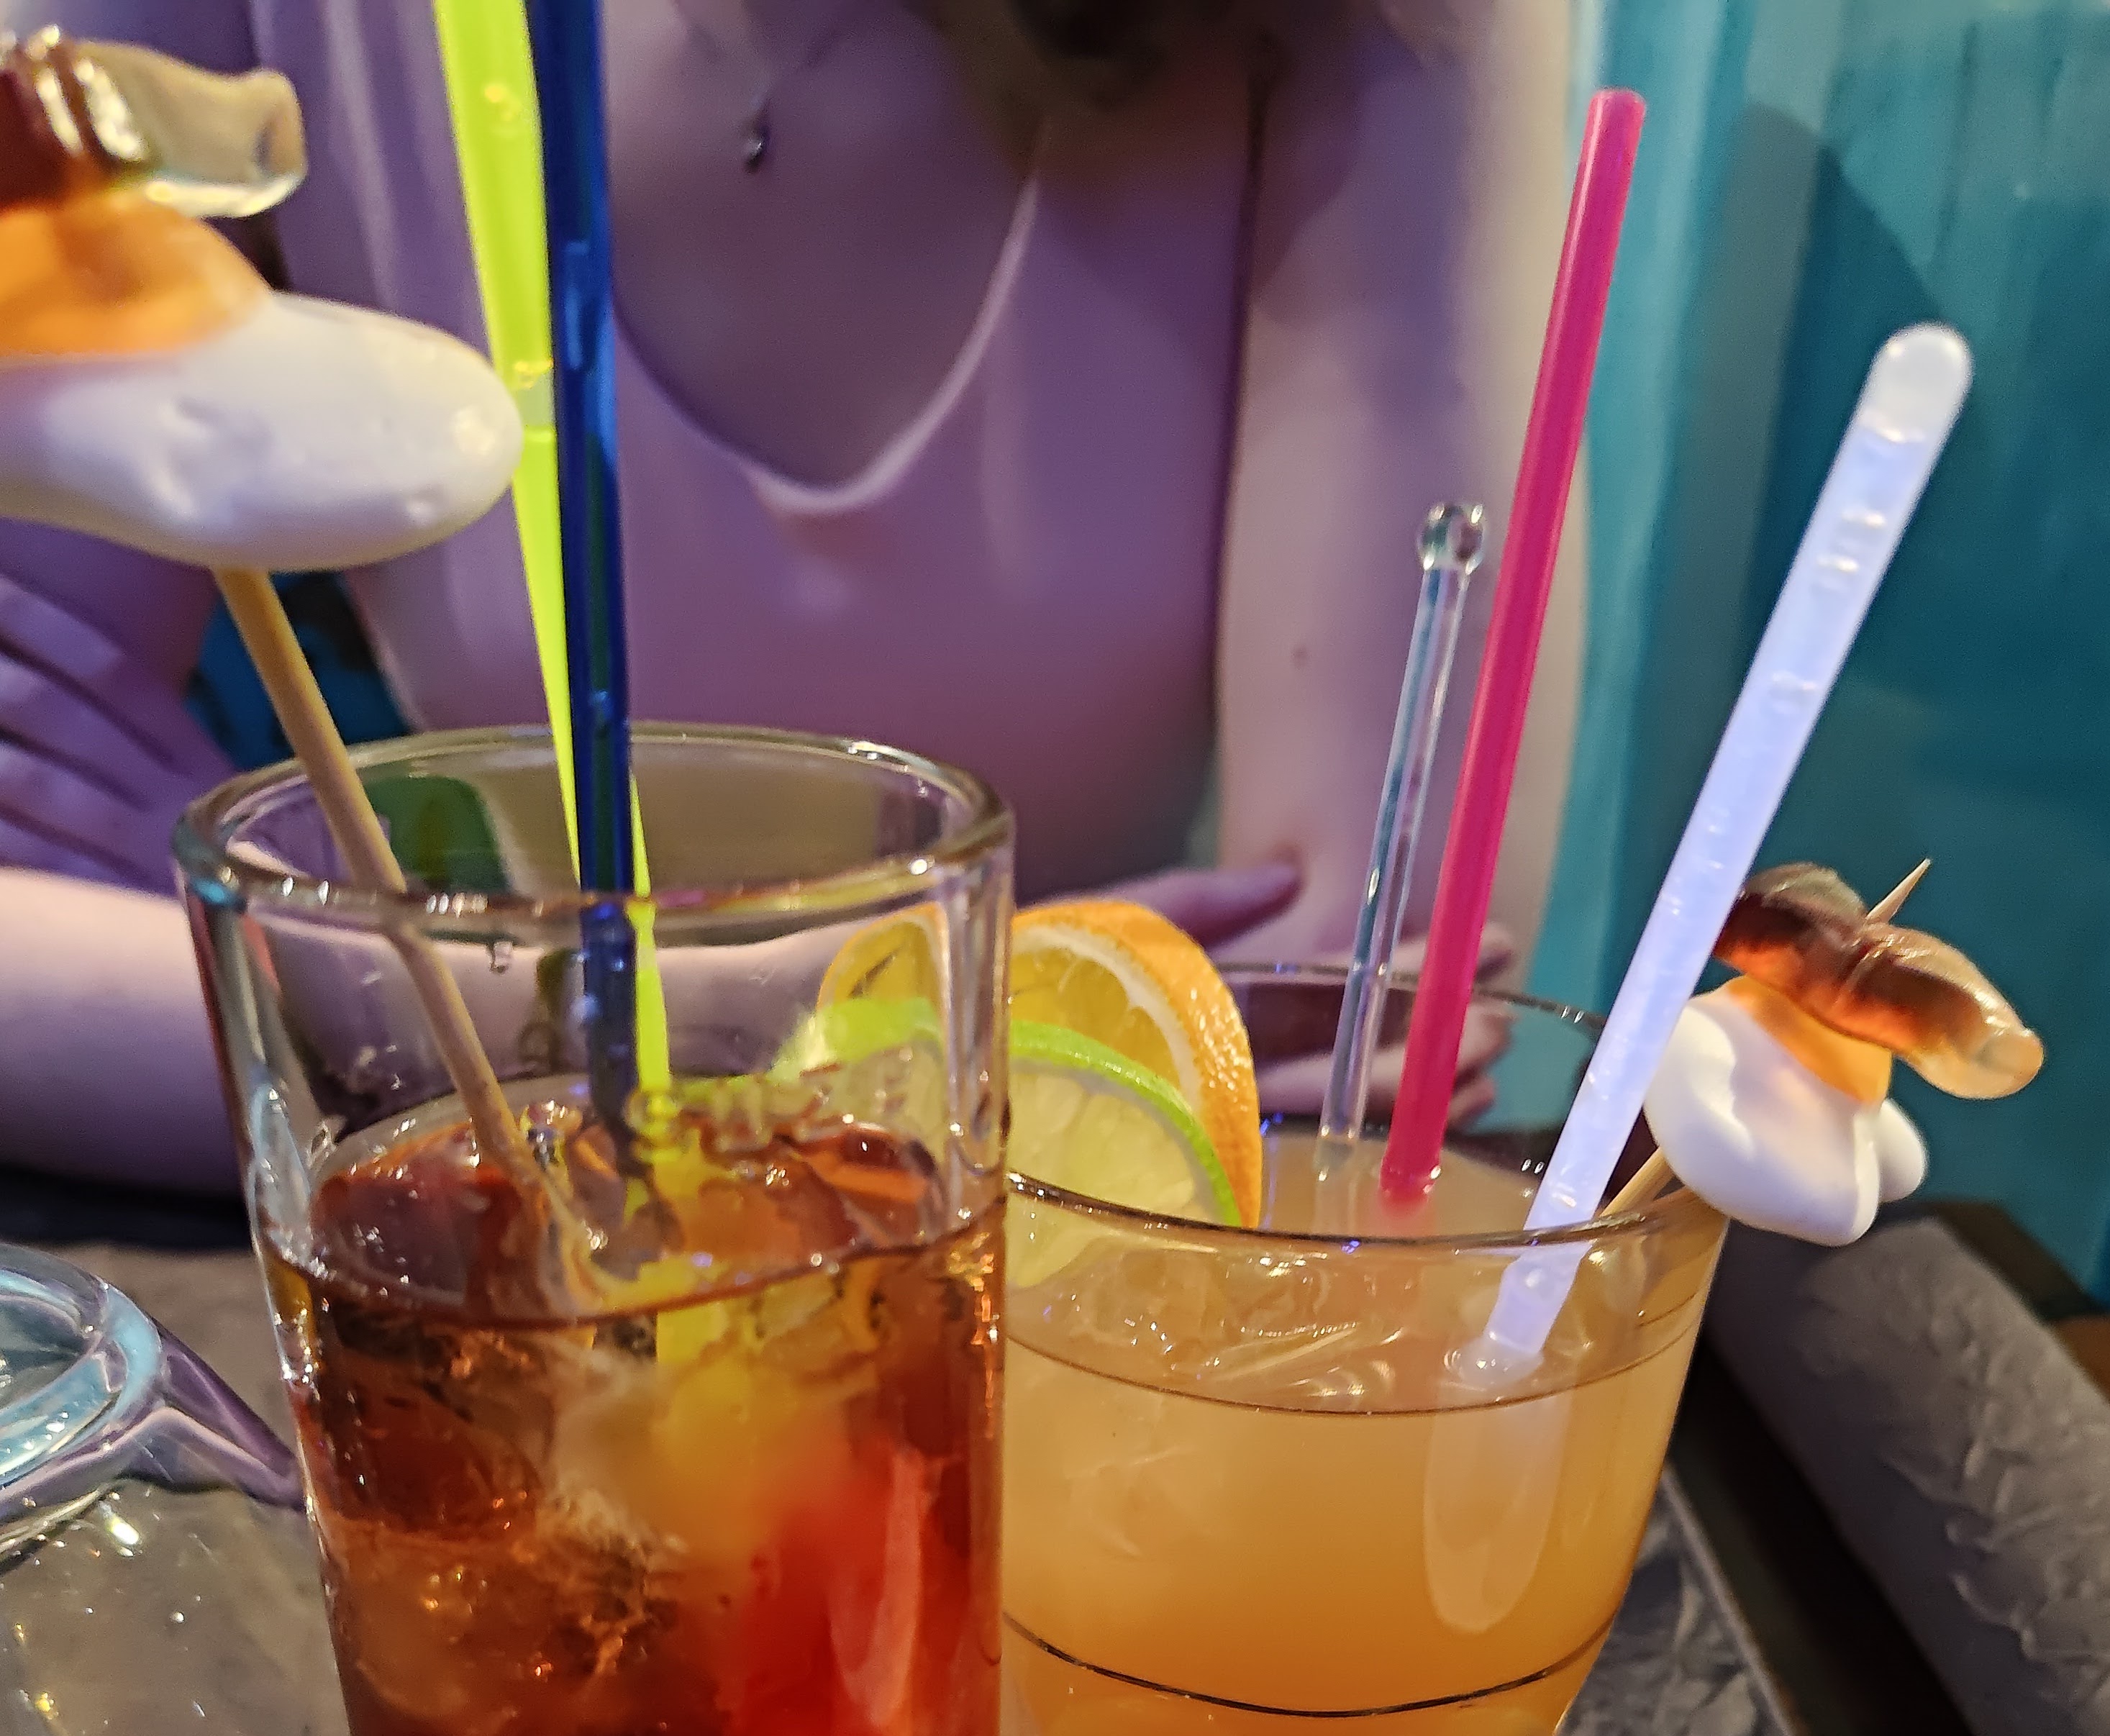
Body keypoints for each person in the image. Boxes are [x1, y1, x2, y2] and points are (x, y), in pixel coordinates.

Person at [0, 0, 1579, 1188]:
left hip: (1050, 1318)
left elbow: (1352, 1035)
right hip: (517, 1277)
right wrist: (791, 1018)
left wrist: (373, 1005)